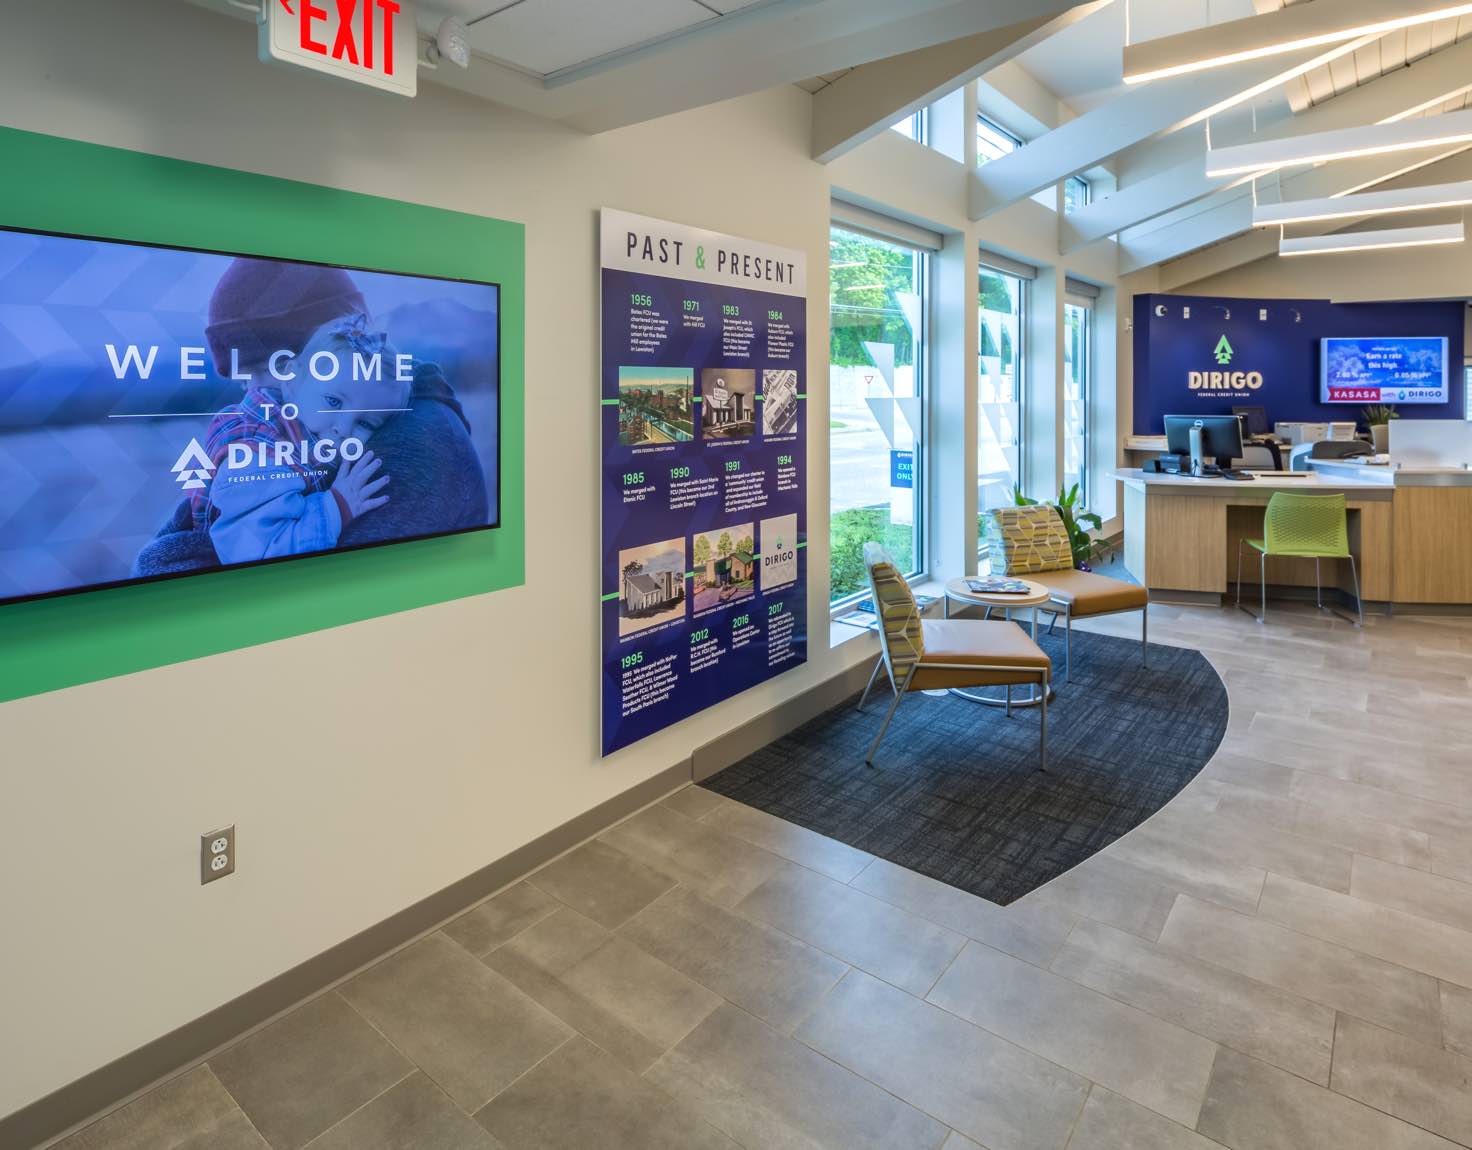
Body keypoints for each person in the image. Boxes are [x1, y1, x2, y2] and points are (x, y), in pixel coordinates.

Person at [133, 257, 489, 576]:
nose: (253, 392)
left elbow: (275, 589)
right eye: (246, 377)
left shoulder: (410, 447)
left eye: (271, 368)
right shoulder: (280, 438)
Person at [193, 316, 401, 564]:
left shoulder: (302, 425)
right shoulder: (257, 456)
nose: (344, 429)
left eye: (365, 423)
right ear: (291, 381)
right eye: (333, 402)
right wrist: (337, 506)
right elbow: (260, 555)